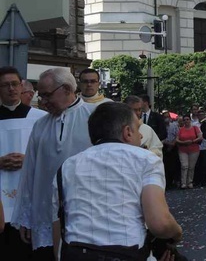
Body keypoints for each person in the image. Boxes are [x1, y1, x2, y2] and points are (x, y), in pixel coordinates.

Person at [51, 102, 182, 260]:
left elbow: (58, 225)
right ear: (127, 132)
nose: (140, 136)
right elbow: (160, 224)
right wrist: (177, 233)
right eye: (138, 129)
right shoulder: (146, 160)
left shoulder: (67, 166)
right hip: (127, 253)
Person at [13, 68, 96, 260]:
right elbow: (30, 172)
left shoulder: (94, 117)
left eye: (47, 95)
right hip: (45, 212)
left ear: (66, 89)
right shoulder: (41, 125)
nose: (43, 101)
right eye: (40, 96)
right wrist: (26, 216)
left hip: (86, 211)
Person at [0, 66, 46, 258]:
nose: (11, 89)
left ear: (22, 86)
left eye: (14, 84)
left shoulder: (41, 118)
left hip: (30, 194)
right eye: (5, 85)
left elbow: (51, 155)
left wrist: (29, 160)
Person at [176, 114, 202, 189]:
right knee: (184, 166)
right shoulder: (181, 129)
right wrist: (183, 142)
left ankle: (190, 182)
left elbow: (200, 137)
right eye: (185, 120)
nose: (186, 121)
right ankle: (183, 183)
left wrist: (193, 141)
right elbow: (177, 139)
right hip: (183, 149)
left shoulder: (195, 128)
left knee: (191, 167)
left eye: (188, 119)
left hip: (194, 149)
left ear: (190, 120)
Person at [193, 110, 206, 188]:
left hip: (205, 146)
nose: (201, 117)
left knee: (204, 165)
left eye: (203, 115)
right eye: (200, 115)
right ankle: (197, 180)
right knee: (197, 165)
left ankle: (203, 181)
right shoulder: (195, 124)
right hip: (196, 146)